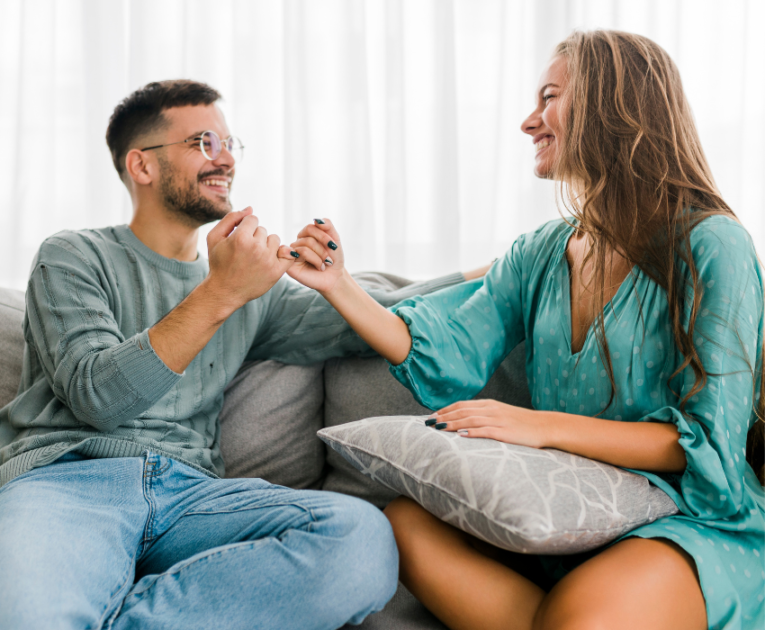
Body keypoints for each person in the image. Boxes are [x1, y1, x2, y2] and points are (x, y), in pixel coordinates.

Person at [0, 79, 484, 629]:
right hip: (66, 484)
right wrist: (222, 291)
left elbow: (376, 318)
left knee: (361, 540)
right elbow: (99, 397)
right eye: (205, 142)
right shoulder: (72, 257)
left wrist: (497, 272)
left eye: (231, 144)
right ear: (142, 166)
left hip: (192, 497)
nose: (226, 159)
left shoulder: (254, 292)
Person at [286, 30, 765, 630]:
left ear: (611, 105)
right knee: (401, 524)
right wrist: (340, 285)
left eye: (549, 97)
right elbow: (445, 347)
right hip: (558, 517)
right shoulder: (541, 252)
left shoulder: (712, 244)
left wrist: (536, 428)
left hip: (689, 519)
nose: (527, 122)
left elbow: (707, 445)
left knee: (574, 619)